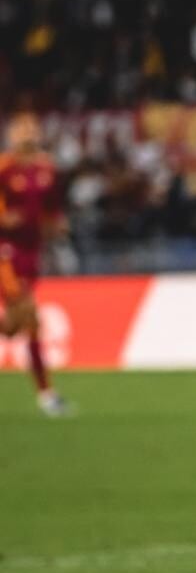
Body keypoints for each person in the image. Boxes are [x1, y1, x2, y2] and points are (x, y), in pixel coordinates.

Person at [0, 114, 71, 417]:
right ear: (11, 135)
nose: (27, 134)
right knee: (29, 315)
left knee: (19, 325)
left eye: (31, 128)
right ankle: (47, 395)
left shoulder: (47, 169)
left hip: (32, 252)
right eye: (21, 129)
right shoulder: (4, 168)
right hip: (6, 251)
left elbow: (52, 208)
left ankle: (47, 395)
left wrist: (57, 224)